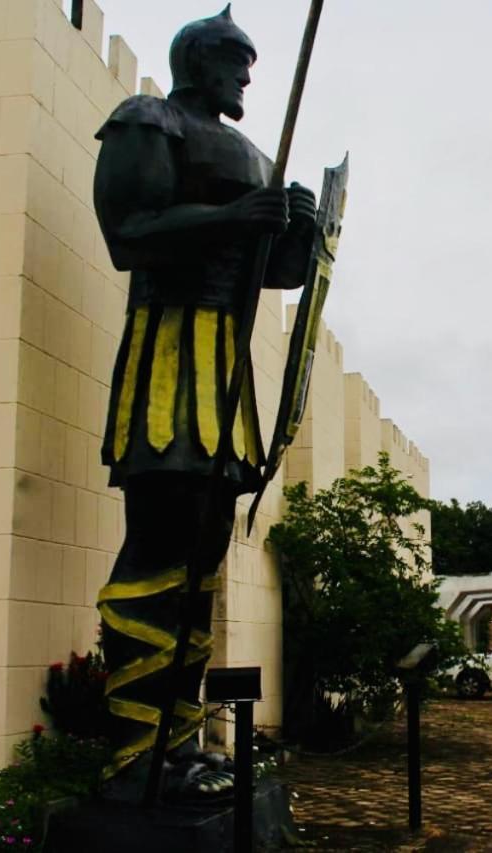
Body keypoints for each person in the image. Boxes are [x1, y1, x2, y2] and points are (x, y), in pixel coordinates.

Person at [90, 4, 316, 803]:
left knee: (200, 565)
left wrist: (296, 231)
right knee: (160, 553)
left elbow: (270, 270)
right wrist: (234, 215)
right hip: (168, 361)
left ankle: (175, 749)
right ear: (197, 59)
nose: (247, 73)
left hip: (225, 377)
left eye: (251, 59)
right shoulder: (148, 120)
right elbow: (132, 233)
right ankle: (134, 758)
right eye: (234, 57)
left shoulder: (253, 153)